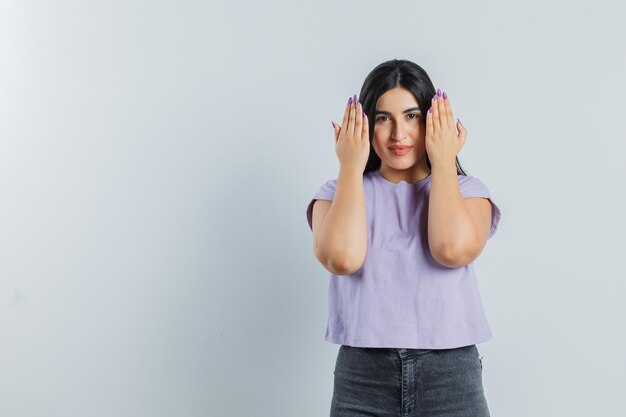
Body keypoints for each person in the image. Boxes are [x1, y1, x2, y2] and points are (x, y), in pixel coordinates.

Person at [305, 59, 501, 417]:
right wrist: (349, 166)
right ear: (363, 124)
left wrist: (444, 162)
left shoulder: (468, 192)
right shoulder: (335, 194)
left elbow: (451, 249)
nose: (398, 134)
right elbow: (341, 258)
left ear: (432, 120)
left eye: (412, 116)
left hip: (450, 376)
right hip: (362, 377)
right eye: (383, 118)